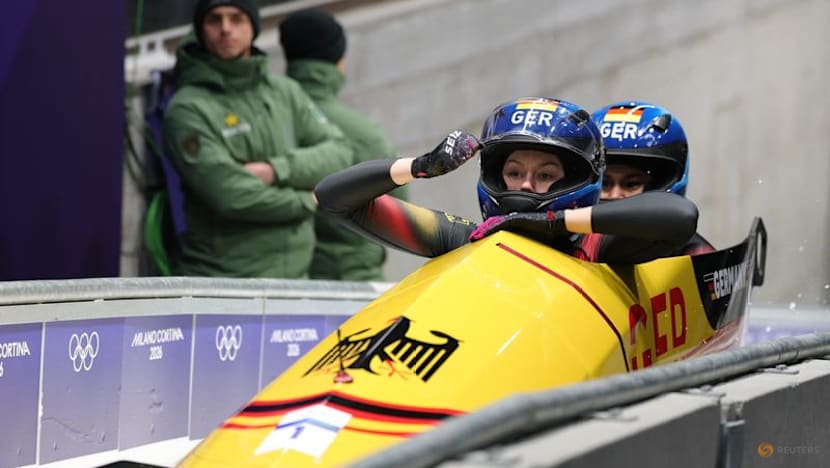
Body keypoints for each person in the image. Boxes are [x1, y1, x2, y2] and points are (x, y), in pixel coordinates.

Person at [314, 97, 699, 265]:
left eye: (545, 175)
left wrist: (550, 224)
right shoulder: (467, 238)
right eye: (514, 173)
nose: (526, 186)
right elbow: (334, 198)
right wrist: (420, 166)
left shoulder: (602, 246)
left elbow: (679, 217)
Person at [162, 0, 353, 278]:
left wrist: (276, 170)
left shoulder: (285, 92)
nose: (226, 29)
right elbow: (232, 195)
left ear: (253, 26)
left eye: (236, 18)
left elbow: (340, 154)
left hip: (296, 279)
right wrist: (310, 200)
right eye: (214, 20)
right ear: (201, 29)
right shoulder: (188, 109)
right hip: (224, 282)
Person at [278, 8, 408, 281]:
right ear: (340, 62)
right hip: (354, 280)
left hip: (283, 279)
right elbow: (399, 214)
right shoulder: (365, 134)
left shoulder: (271, 120)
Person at [591, 101, 715, 255]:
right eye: (604, 183)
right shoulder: (567, 241)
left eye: (631, 184)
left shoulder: (696, 253)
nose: (615, 195)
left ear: (658, 185)